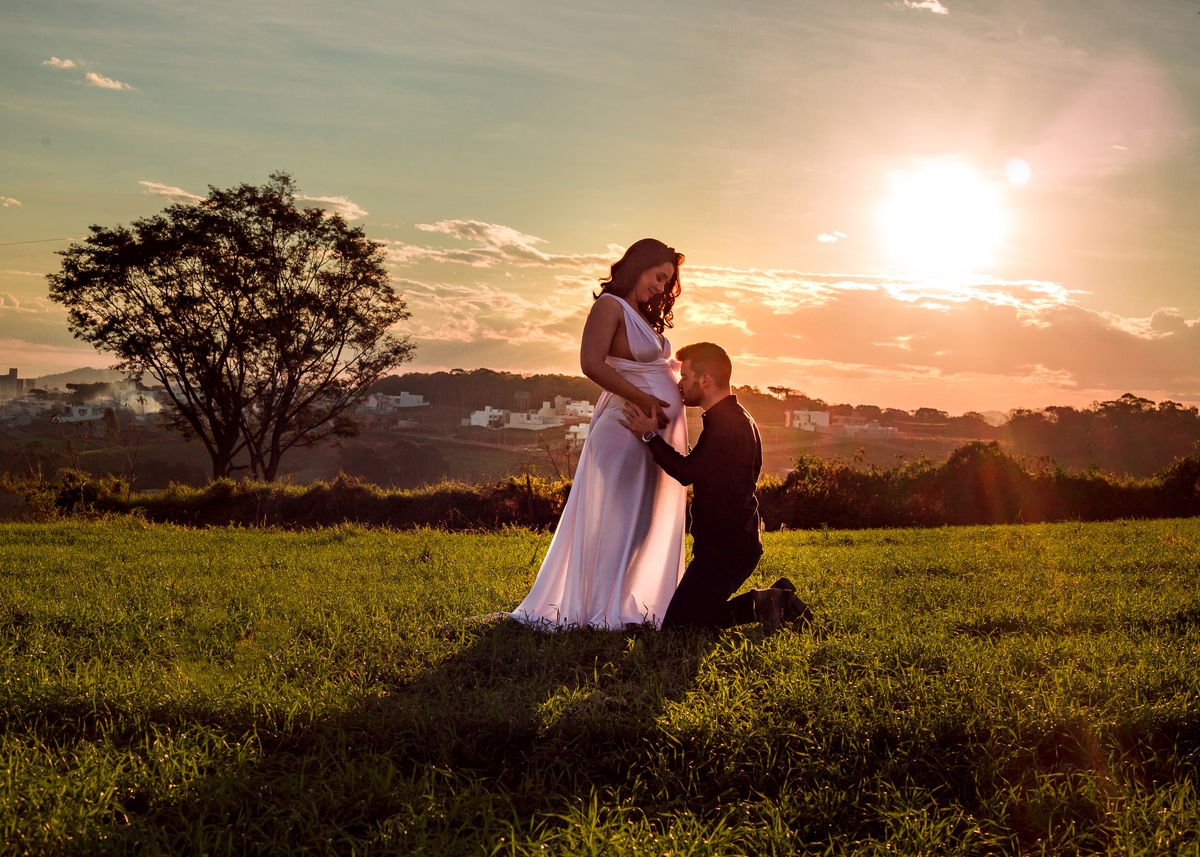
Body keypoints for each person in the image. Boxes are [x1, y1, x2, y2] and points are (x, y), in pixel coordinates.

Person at [509, 239, 689, 629]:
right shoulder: (610, 306)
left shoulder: (644, 317)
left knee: (640, 521)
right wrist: (645, 397)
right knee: (616, 517)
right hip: (624, 426)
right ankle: (597, 610)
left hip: (649, 433)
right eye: (659, 276)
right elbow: (590, 363)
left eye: (667, 282)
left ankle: (623, 604)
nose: (661, 288)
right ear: (638, 266)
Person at [619, 342, 811, 634]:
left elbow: (687, 472)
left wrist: (649, 435)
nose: (680, 384)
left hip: (726, 549)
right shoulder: (737, 417)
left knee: (680, 627)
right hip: (731, 544)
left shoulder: (724, 424)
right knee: (690, 618)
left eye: (685, 376)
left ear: (705, 380)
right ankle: (776, 596)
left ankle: (772, 601)